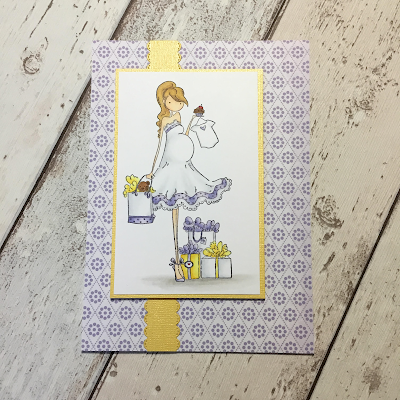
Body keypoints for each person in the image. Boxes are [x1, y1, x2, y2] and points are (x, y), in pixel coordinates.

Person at [146, 81, 232, 282]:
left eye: (179, 101)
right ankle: (177, 263)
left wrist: (191, 126)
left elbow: (182, 140)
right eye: (172, 101)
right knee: (173, 210)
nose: (177, 105)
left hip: (184, 165)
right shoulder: (165, 121)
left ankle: (178, 263)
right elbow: (161, 146)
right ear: (164, 102)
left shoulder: (179, 117)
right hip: (169, 166)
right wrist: (152, 171)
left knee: (182, 203)